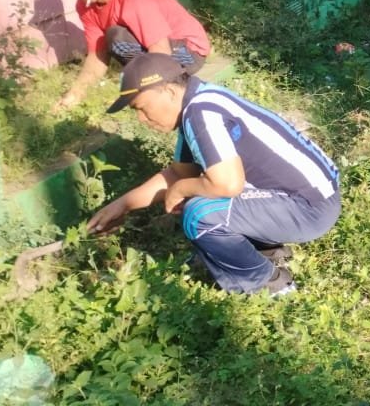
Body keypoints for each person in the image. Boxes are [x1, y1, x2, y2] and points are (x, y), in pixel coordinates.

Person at [86, 52, 341, 296]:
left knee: (200, 213)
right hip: (308, 200)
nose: (142, 119)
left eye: (141, 107)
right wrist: (122, 205)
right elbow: (178, 173)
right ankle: (266, 253)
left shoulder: (200, 112)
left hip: (308, 208)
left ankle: (269, 285)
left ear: (169, 91)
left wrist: (181, 189)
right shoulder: (199, 102)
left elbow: (227, 184)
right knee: (200, 192)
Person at [54, 0, 211, 110]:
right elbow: (98, 54)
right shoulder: (85, 5)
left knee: (116, 37)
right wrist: (76, 93)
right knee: (114, 39)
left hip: (189, 52)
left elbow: (160, 50)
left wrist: (147, 96)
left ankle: (158, 87)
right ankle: (144, 84)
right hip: (160, 49)